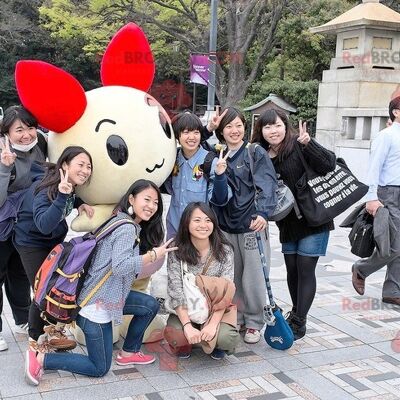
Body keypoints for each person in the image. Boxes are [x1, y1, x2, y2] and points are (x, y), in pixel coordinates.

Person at [24, 179, 177, 385]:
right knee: (99, 368)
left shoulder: (119, 219)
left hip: (110, 297)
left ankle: (129, 351)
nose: (151, 206)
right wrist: (152, 255)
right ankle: (41, 358)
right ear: (131, 199)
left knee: (149, 305)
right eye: (146, 199)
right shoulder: (126, 228)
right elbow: (121, 266)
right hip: (94, 307)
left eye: (156, 202)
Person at [251, 109, 336, 340]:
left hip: (313, 218)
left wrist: (310, 144)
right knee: (292, 270)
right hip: (287, 223)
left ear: (285, 125)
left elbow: (329, 164)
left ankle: (299, 320)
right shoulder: (260, 155)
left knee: (305, 268)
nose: (273, 131)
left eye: (277, 125)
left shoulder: (299, 144)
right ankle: (296, 314)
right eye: (267, 127)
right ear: (261, 131)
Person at [14, 146, 94, 352]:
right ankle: (35, 340)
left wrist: (79, 202)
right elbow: (43, 224)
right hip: (30, 242)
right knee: (42, 290)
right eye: (81, 165)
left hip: (50, 240)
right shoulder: (47, 187)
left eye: (89, 166)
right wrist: (62, 196)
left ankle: (51, 330)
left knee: (56, 286)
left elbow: (66, 200)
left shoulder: (67, 184)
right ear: (65, 165)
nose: (86, 170)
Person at [212, 107, 278, 344]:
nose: (234, 130)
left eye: (238, 125)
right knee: (233, 276)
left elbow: (267, 184)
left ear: (245, 127)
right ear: (221, 130)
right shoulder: (218, 155)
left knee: (254, 276)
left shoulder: (254, 152)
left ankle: (254, 322)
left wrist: (263, 212)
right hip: (226, 226)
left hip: (252, 225)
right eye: (229, 126)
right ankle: (236, 316)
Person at [164, 202, 239, 360]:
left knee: (226, 339)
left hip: (214, 309)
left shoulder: (225, 250)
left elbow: (226, 291)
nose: (203, 225)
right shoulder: (176, 250)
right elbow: (175, 290)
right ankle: (190, 339)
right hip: (187, 308)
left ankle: (216, 343)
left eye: (208, 220)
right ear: (186, 223)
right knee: (176, 336)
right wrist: (187, 326)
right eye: (197, 220)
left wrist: (212, 325)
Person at [0, 105, 47, 351]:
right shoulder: (1, 152)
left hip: (26, 226)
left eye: (30, 128)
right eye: (19, 130)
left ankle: (20, 319)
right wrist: (4, 168)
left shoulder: (41, 147)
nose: (26, 134)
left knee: (19, 272)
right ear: (6, 132)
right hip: (1, 225)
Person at [351, 96, 400, 305]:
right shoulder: (386, 136)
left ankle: (393, 290)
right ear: (395, 112)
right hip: (389, 193)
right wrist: (371, 197)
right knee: (395, 244)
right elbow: (374, 167)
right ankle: (362, 268)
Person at [164, 112, 231, 240]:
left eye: (196, 132)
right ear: (178, 136)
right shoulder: (171, 159)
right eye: (186, 132)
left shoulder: (211, 162)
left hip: (200, 234)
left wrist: (220, 175)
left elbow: (222, 198)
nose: (192, 137)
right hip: (174, 230)